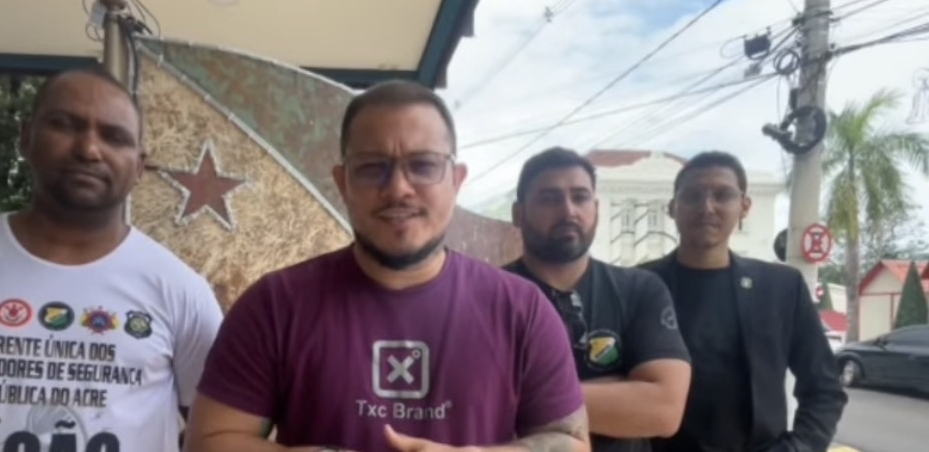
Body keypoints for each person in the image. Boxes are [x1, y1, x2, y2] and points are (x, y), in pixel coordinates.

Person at [185, 80, 591, 452]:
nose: (398, 188)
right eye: (372, 167)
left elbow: (570, 441)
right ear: (343, 182)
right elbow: (209, 440)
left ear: (456, 180)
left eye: (424, 165)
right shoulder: (275, 305)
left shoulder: (521, 310)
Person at [0, 66, 225, 452]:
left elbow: (212, 434)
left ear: (139, 166)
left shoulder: (181, 291)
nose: (89, 150)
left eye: (114, 137)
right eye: (65, 125)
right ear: (26, 137)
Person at [638, 151, 847, 452]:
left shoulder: (781, 288)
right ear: (673, 208)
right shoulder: (637, 286)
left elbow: (824, 388)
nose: (707, 207)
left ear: (744, 207)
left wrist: (797, 447)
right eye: (693, 196)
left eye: (722, 195)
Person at [502, 147, 691, 452]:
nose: (568, 211)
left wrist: (523, 397)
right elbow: (474, 402)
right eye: (550, 198)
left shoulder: (638, 289)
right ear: (518, 214)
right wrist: (619, 391)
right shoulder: (487, 297)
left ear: (597, 209)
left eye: (580, 197)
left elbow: (664, 411)